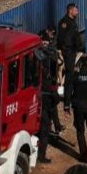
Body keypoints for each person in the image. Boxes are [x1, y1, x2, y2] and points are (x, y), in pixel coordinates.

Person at [65, 53, 87, 163]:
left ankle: (84, 155)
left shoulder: (75, 76)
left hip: (78, 107)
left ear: (80, 64)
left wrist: (66, 106)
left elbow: (68, 90)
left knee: (80, 131)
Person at [37, 29, 62, 164]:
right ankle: (41, 155)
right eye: (44, 42)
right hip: (45, 97)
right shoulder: (46, 56)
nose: (45, 44)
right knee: (45, 128)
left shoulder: (36, 54)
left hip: (41, 95)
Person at [58, 3, 85, 88]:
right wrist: (66, 49)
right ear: (70, 11)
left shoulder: (73, 22)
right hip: (68, 51)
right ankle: (67, 97)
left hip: (73, 51)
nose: (78, 12)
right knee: (69, 74)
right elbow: (63, 38)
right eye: (76, 10)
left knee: (72, 74)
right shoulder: (64, 22)